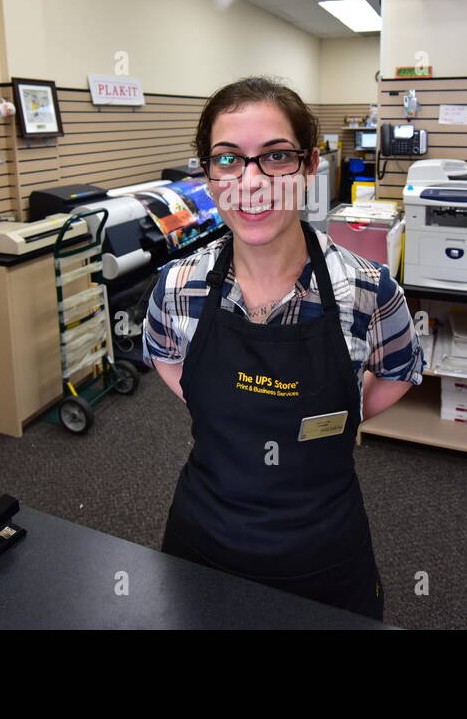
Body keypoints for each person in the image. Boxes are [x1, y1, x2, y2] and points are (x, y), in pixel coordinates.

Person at [142, 76, 424, 621]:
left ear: (309, 165)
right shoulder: (177, 287)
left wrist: (345, 410)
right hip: (202, 544)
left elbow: (398, 371)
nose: (251, 182)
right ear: (208, 174)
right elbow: (167, 358)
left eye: (275, 157)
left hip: (324, 556)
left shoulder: (367, 290)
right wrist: (228, 405)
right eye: (228, 159)